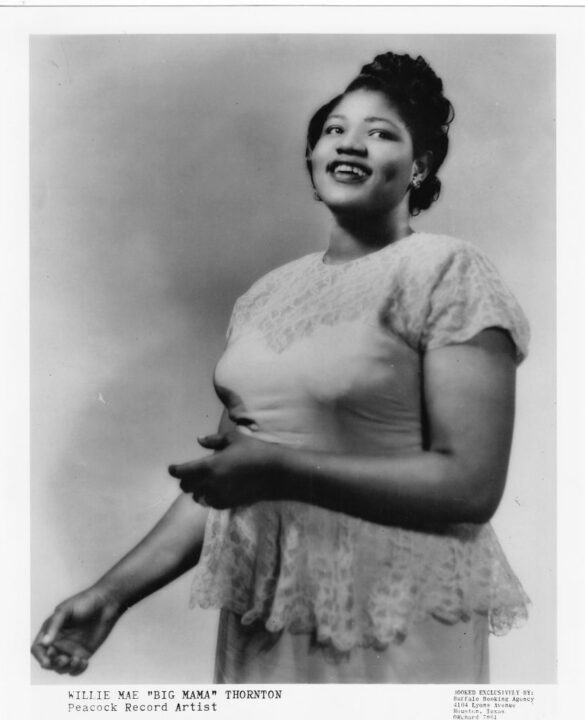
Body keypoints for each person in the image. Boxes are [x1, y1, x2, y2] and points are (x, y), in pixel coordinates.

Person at [31, 51, 529, 683]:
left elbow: (472, 486)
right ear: (313, 157)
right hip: (271, 602)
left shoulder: (447, 270)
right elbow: (229, 477)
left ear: (420, 166)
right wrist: (111, 594)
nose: (350, 144)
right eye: (334, 130)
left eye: (381, 133)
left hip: (394, 611)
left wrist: (278, 469)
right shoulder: (265, 296)